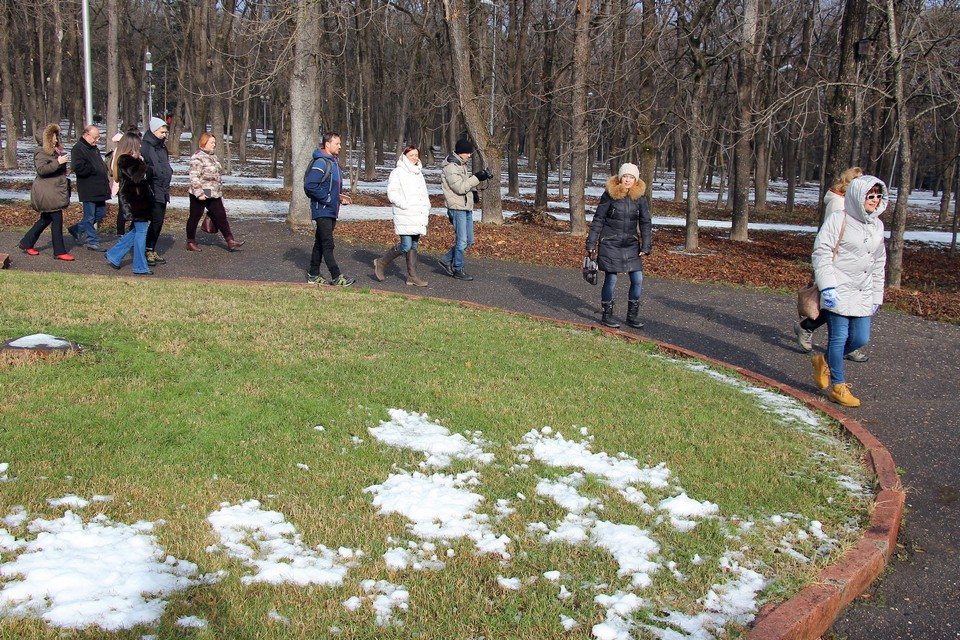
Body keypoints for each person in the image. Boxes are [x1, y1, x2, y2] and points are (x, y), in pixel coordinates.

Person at [810, 175, 887, 408]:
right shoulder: (838, 218)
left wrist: (876, 296)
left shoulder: (877, 225)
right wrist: (828, 286)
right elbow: (821, 252)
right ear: (857, 196)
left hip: (863, 292)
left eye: (878, 196)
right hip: (839, 289)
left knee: (860, 338)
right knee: (838, 338)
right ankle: (838, 386)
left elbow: (878, 261)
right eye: (870, 196)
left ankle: (825, 361)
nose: (874, 200)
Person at [795, 166, 868, 363]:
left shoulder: (859, 205)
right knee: (835, 307)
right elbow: (831, 238)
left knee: (847, 307)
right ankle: (808, 328)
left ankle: (846, 344)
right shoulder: (838, 204)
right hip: (837, 264)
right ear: (849, 183)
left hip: (855, 265)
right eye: (859, 181)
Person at [585, 163, 652, 329]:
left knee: (637, 279)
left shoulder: (640, 198)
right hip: (610, 242)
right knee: (611, 279)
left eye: (631, 177)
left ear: (636, 180)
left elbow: (645, 222)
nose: (628, 180)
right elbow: (598, 219)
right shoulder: (609, 195)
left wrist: (646, 245)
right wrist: (591, 242)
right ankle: (607, 315)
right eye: (625, 176)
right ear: (620, 178)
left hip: (630, 244)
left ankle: (632, 316)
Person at [374, 145, 431, 287]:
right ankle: (381, 262)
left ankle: (412, 276)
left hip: (418, 214)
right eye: (411, 155)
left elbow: (424, 194)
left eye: (416, 155)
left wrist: (426, 207)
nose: (415, 158)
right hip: (405, 214)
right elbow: (392, 193)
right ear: (404, 156)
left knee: (414, 245)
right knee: (405, 246)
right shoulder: (397, 172)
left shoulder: (419, 173)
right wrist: (404, 204)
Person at [304, 132, 354, 287]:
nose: (340, 146)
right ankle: (337, 276)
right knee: (328, 244)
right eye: (337, 143)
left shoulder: (334, 163)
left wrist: (339, 197)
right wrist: (326, 199)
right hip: (323, 210)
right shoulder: (321, 163)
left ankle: (313, 274)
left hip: (331, 210)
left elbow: (329, 187)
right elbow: (310, 185)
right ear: (327, 144)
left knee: (319, 243)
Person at [18, 124, 75, 261]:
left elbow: (52, 168)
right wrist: (58, 162)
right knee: (56, 219)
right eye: (54, 137)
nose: (56, 139)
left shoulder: (52, 152)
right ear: (47, 139)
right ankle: (59, 251)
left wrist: (63, 170)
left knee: (46, 218)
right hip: (47, 192)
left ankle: (26, 242)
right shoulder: (40, 152)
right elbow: (42, 170)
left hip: (53, 190)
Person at [439, 138, 492, 281]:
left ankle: (446, 259)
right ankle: (458, 269)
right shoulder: (451, 167)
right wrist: (477, 178)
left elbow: (465, 185)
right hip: (457, 208)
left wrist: (473, 192)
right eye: (467, 153)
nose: (470, 155)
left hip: (465, 207)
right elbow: (460, 187)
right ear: (460, 152)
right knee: (462, 241)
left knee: (469, 240)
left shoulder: (461, 164)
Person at [185, 133, 245, 252]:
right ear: (204, 143)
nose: (214, 145)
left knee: (220, 215)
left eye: (214, 143)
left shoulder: (213, 157)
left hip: (212, 191)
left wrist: (218, 191)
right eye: (211, 142)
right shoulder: (197, 157)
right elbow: (194, 177)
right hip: (201, 190)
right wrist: (199, 193)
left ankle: (230, 240)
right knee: (195, 216)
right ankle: (190, 241)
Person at [104, 131, 154, 275]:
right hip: (135, 202)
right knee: (141, 232)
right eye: (138, 143)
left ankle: (114, 255)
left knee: (136, 231)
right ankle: (139, 266)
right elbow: (137, 177)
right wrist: (144, 165)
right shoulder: (125, 159)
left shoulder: (131, 159)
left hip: (139, 201)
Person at [66, 125, 110, 252]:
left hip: (99, 187)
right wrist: (94, 169)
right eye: (95, 137)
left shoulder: (93, 148)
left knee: (101, 213)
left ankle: (77, 229)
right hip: (88, 187)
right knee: (90, 216)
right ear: (86, 134)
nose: (96, 140)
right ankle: (92, 241)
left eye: (98, 138)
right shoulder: (78, 149)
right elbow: (78, 167)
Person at [141, 116, 173, 267]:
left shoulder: (162, 146)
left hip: (163, 188)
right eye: (162, 132)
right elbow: (145, 166)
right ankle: (146, 250)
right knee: (154, 221)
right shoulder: (146, 146)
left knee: (158, 222)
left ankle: (151, 248)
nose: (164, 135)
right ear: (154, 131)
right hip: (151, 189)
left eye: (166, 132)